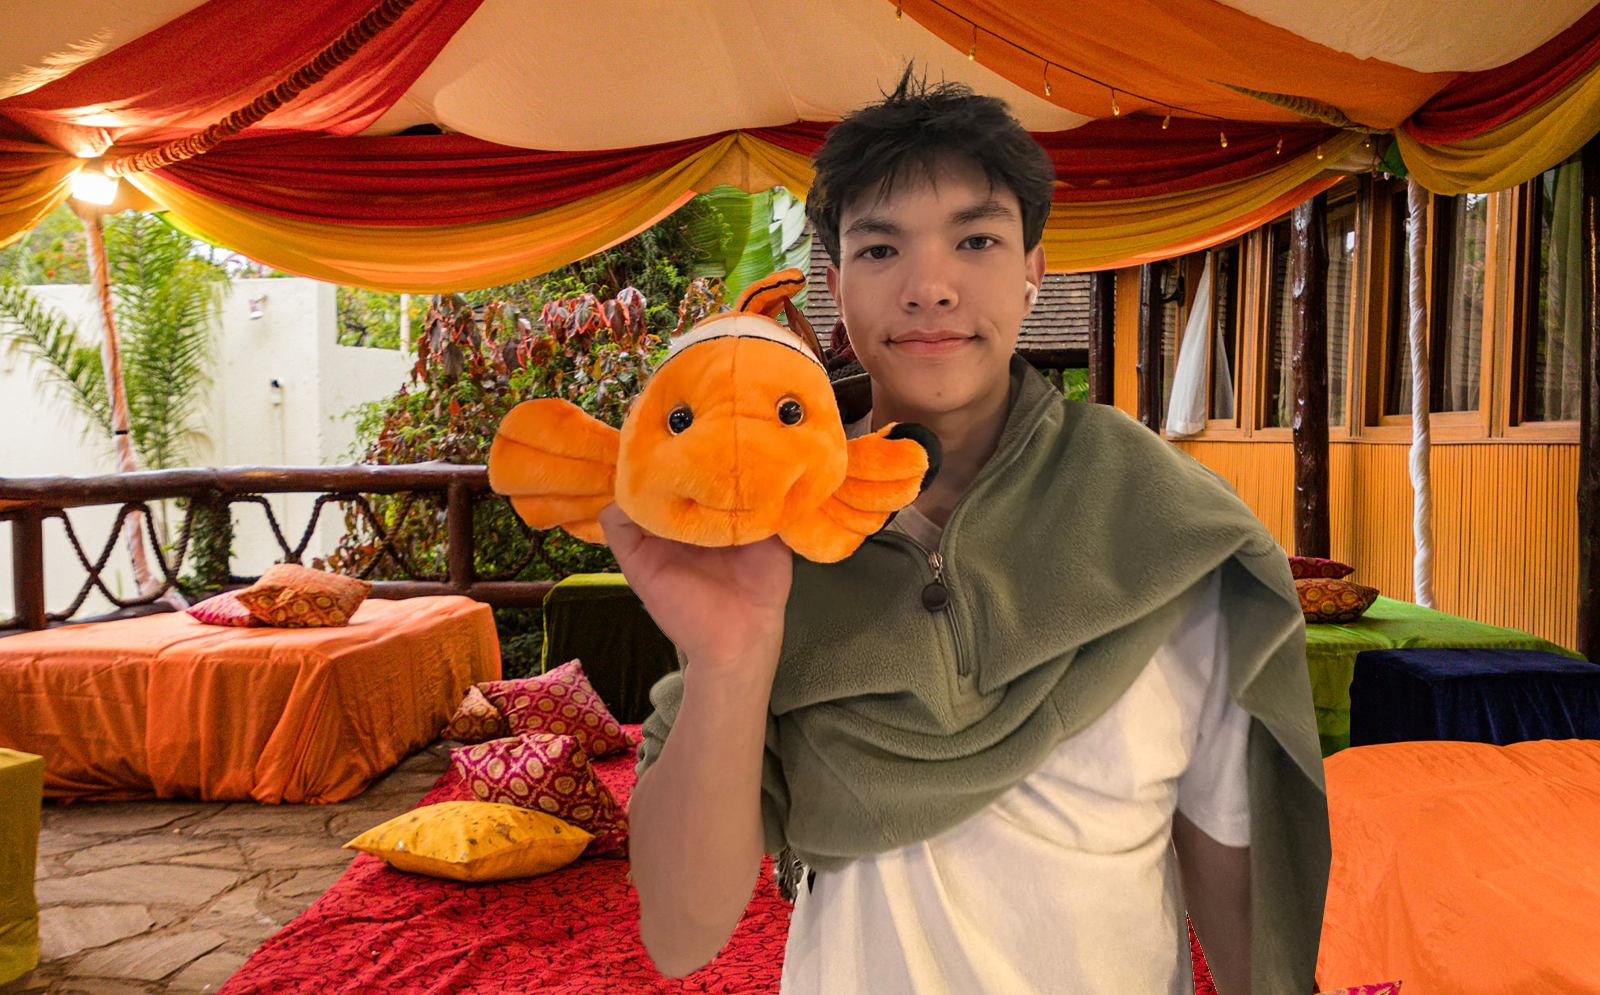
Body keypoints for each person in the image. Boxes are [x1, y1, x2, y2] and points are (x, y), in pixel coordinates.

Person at [610, 70, 1329, 995]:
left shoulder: (1165, 526)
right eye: (881, 249)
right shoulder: (766, 535)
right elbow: (678, 930)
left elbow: (1237, 893)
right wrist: (732, 658)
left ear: (1033, 267)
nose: (930, 288)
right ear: (835, 286)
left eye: (976, 239)